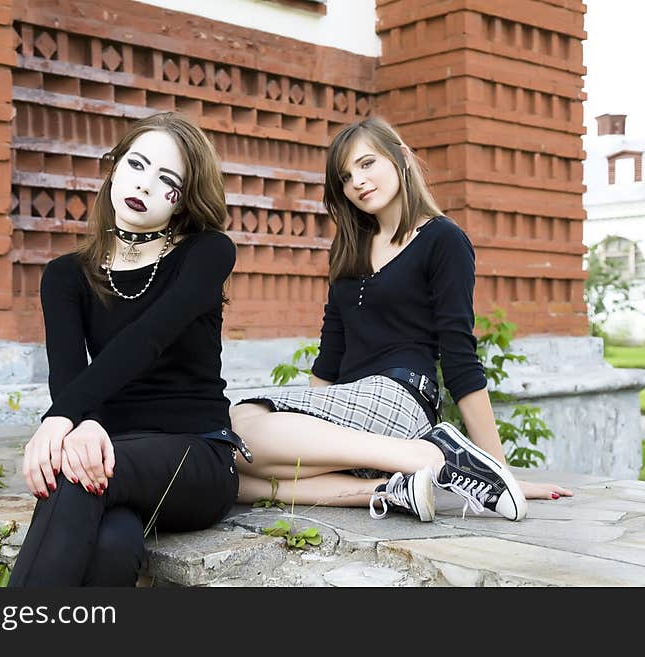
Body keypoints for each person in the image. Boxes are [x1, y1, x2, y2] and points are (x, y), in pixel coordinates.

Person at [231, 117, 573, 523]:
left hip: (401, 399)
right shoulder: (349, 249)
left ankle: (430, 454)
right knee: (226, 464)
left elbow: (460, 357)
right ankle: (397, 487)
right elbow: (329, 358)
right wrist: (306, 426)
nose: (357, 181)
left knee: (241, 428)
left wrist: (500, 471)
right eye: (345, 176)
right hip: (356, 415)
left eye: (367, 164)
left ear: (402, 159)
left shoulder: (442, 239)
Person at [9, 112, 245, 587]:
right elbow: (70, 377)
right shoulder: (65, 275)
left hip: (194, 455)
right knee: (113, 543)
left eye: (167, 180)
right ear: (114, 167)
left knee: (72, 476)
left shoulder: (207, 253)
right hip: (110, 454)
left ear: (181, 202)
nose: (145, 184)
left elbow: (148, 338)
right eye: (136, 165)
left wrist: (58, 421)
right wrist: (77, 423)